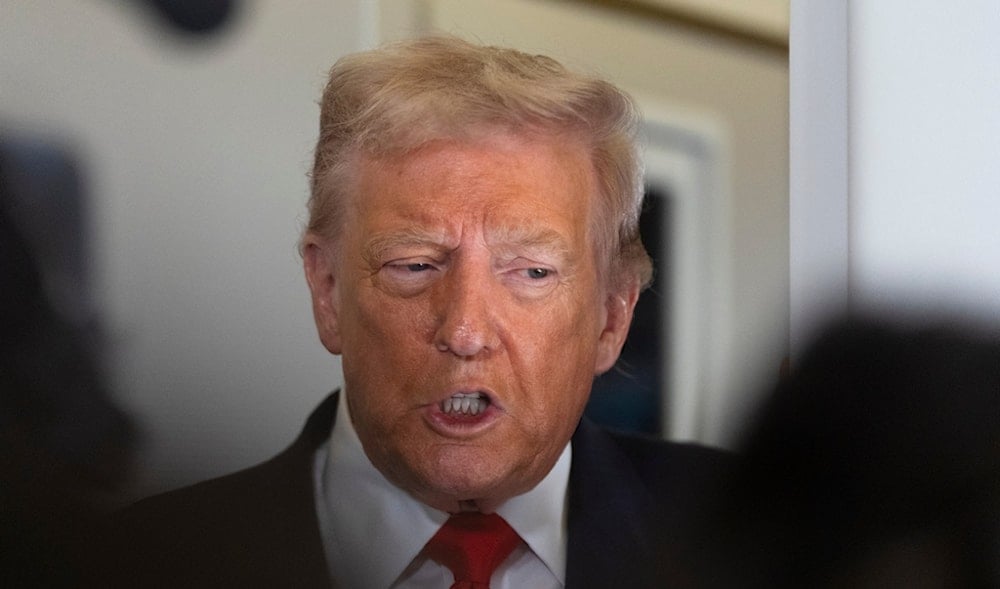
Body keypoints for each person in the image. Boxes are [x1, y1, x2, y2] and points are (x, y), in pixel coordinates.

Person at [107, 36, 729, 588]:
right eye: (414, 265)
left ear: (613, 318)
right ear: (327, 292)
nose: (464, 332)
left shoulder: (752, 538)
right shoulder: (137, 563)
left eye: (532, 273)